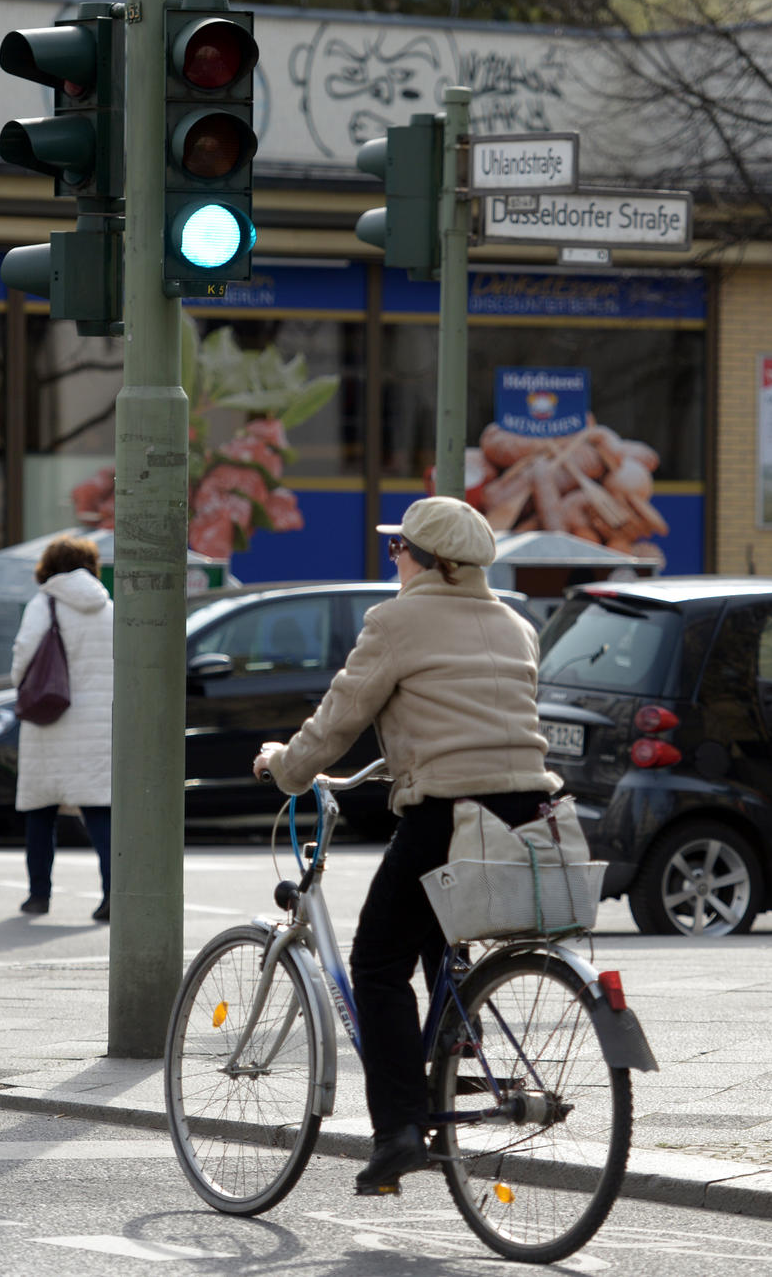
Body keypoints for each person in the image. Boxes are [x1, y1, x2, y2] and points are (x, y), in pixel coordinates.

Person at [252, 496, 560, 1195]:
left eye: (398, 550)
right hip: (529, 812)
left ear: (428, 560)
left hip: (448, 812)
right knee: (434, 936)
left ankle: (396, 1133)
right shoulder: (516, 624)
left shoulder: (394, 621)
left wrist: (285, 766)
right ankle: (455, 1049)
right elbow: (472, 715)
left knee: (377, 963)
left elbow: (336, 722)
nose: (392, 560)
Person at [10, 533, 114, 921]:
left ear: (48, 567)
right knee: (100, 809)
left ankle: (39, 895)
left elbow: (23, 654)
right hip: (99, 722)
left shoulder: (44, 603)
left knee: (41, 809)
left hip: (50, 717)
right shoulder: (108, 607)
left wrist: (20, 686)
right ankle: (111, 896)